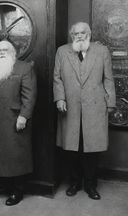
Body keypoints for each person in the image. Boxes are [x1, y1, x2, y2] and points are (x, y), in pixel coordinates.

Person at [53, 22, 116, 200]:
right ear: (71, 36)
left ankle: (90, 185)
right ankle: (74, 183)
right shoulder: (62, 51)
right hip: (69, 108)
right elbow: (57, 78)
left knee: (92, 149)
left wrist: (110, 103)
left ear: (89, 34)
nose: (79, 36)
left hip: (95, 107)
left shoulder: (101, 51)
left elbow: (108, 79)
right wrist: (60, 98)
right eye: (75, 33)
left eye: (82, 33)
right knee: (72, 148)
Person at [0, 40, 37, 206]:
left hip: (14, 119)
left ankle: (17, 190)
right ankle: (4, 186)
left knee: (16, 156)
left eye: (5, 49)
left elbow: (30, 95)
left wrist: (24, 116)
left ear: (13, 52)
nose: (1, 52)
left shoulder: (24, 68)